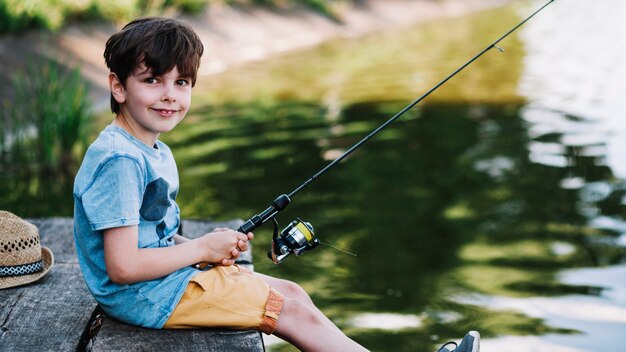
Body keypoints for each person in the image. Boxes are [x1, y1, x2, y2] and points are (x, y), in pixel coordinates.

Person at [73, 17, 479, 352]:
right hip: (143, 297)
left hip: (158, 284)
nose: (169, 96)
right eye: (153, 81)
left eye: (181, 83)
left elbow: (151, 238)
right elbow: (123, 266)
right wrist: (200, 248)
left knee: (294, 293)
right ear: (117, 86)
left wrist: (202, 248)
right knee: (291, 313)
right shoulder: (121, 160)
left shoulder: (149, 147)